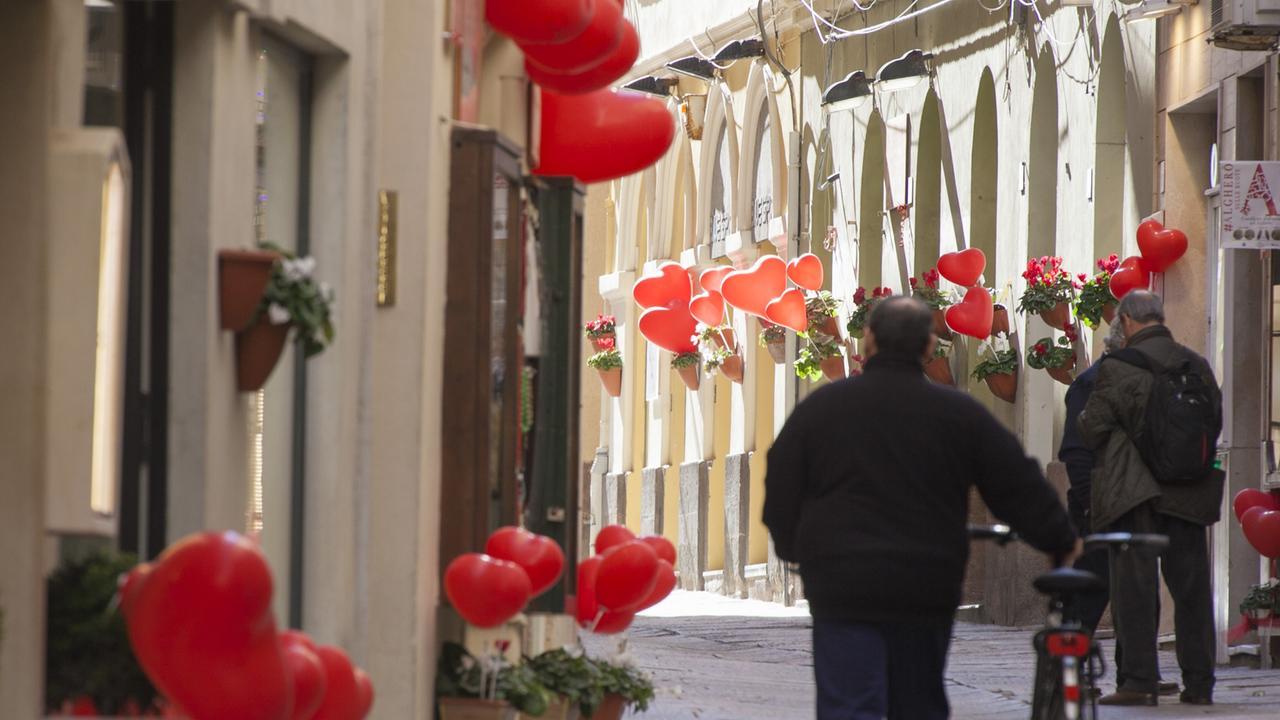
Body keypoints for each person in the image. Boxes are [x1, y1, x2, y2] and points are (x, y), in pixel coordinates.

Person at [763, 295, 1079, 720]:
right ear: (929, 347)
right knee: (917, 702)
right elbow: (1017, 483)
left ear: (869, 341)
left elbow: (781, 485)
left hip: (842, 581)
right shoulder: (957, 414)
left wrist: (794, 548)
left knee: (848, 703)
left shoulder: (821, 410)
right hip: (924, 580)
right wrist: (1059, 540)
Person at [1078, 290, 1225, 707]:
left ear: (1125, 321)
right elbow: (1213, 420)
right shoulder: (1195, 363)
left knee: (1135, 590)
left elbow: (1093, 427)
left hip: (1134, 493)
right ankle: (1199, 683)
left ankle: (1140, 681)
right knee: (1192, 590)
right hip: (1188, 492)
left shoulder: (1119, 366)